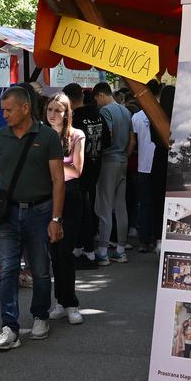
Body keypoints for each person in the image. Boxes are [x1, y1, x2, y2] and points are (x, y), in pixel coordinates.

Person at [0, 85, 65, 351]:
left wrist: (56, 219)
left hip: (40, 212)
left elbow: (58, 180)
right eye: (3, 110)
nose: (4, 114)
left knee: (40, 269)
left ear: (25, 108)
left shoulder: (48, 136)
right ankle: (10, 327)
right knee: (8, 270)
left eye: (8, 110)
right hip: (7, 214)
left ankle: (40, 315)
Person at [44, 93, 86, 326]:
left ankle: (71, 303)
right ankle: (61, 300)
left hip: (70, 197)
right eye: (50, 109)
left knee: (65, 252)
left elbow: (77, 169)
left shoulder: (77, 135)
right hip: (46, 198)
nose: (53, 114)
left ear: (67, 113)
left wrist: (52, 171)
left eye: (58, 110)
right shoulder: (41, 134)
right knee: (54, 253)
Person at [91, 82, 131, 265]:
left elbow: (107, 134)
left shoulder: (105, 112)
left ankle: (103, 250)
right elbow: (132, 140)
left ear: (100, 95)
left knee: (104, 206)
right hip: (123, 159)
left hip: (108, 160)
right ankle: (121, 250)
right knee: (120, 206)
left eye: (96, 99)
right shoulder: (125, 111)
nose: (97, 103)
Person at [67, 83, 104, 268]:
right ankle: (83, 248)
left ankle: (85, 250)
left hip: (78, 170)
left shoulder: (74, 120)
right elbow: (107, 141)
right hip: (95, 167)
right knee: (86, 209)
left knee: (79, 212)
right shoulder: (98, 115)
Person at [129, 81, 161, 253]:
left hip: (143, 166)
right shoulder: (163, 114)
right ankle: (158, 238)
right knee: (158, 204)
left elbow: (133, 142)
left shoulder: (136, 117)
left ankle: (143, 241)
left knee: (144, 204)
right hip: (159, 165)